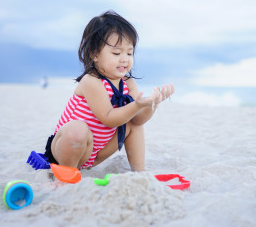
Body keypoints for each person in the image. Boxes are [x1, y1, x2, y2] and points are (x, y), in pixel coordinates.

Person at [44, 10, 174, 171]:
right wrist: (136, 105)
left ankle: (139, 171)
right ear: (94, 54)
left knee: (133, 124)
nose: (124, 58)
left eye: (129, 52)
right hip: (66, 151)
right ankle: (66, 173)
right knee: (77, 129)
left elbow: (138, 119)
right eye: (116, 53)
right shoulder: (92, 81)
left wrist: (152, 104)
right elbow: (108, 118)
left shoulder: (128, 83)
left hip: (94, 154)